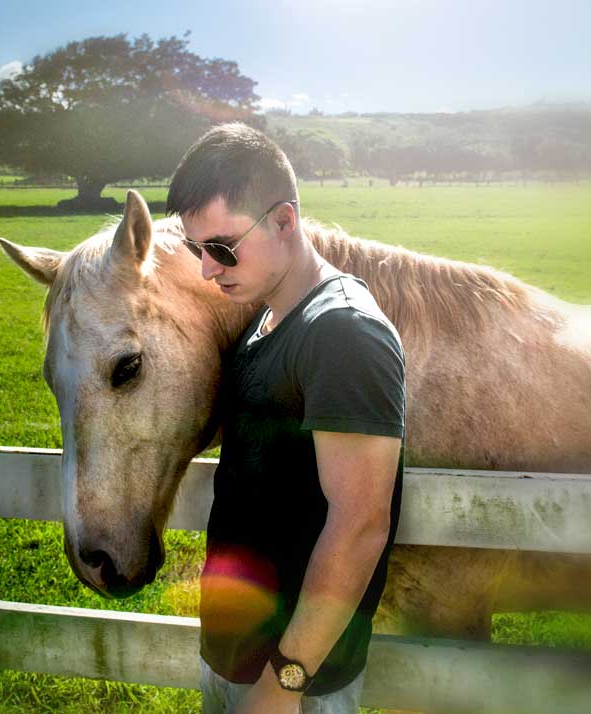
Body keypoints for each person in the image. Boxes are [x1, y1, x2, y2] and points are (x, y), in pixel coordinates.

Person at [166, 123, 405, 714]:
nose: (206, 270)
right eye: (197, 249)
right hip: (234, 664)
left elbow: (360, 526)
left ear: (284, 221)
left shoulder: (344, 334)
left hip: (295, 689)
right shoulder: (264, 316)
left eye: (221, 247)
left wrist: (283, 683)